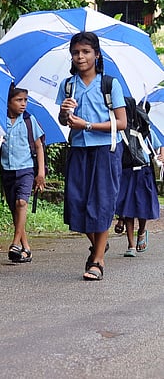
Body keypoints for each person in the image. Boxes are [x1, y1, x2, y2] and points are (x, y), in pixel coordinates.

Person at [56, 31, 126, 281]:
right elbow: (64, 122)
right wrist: (65, 114)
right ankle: (99, 243)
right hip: (77, 150)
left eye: (86, 52)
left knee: (101, 201)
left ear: (97, 54)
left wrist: (88, 125)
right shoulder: (68, 85)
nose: (80, 57)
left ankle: (97, 260)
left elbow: (122, 122)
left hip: (105, 151)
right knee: (76, 204)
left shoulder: (110, 84)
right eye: (76, 52)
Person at [0, 85, 46, 264]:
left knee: (22, 202)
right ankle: (25, 247)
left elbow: (38, 146)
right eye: (19, 100)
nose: (23, 104)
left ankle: (15, 243)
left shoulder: (29, 120)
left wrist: (41, 172)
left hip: (26, 168)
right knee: (15, 209)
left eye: (25, 100)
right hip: (7, 169)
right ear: (8, 102)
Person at [116, 103, 162, 257]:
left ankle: (141, 231)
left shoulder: (147, 131)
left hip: (144, 171)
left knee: (142, 207)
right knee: (128, 208)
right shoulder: (123, 131)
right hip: (127, 171)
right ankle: (131, 245)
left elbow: (158, 147)